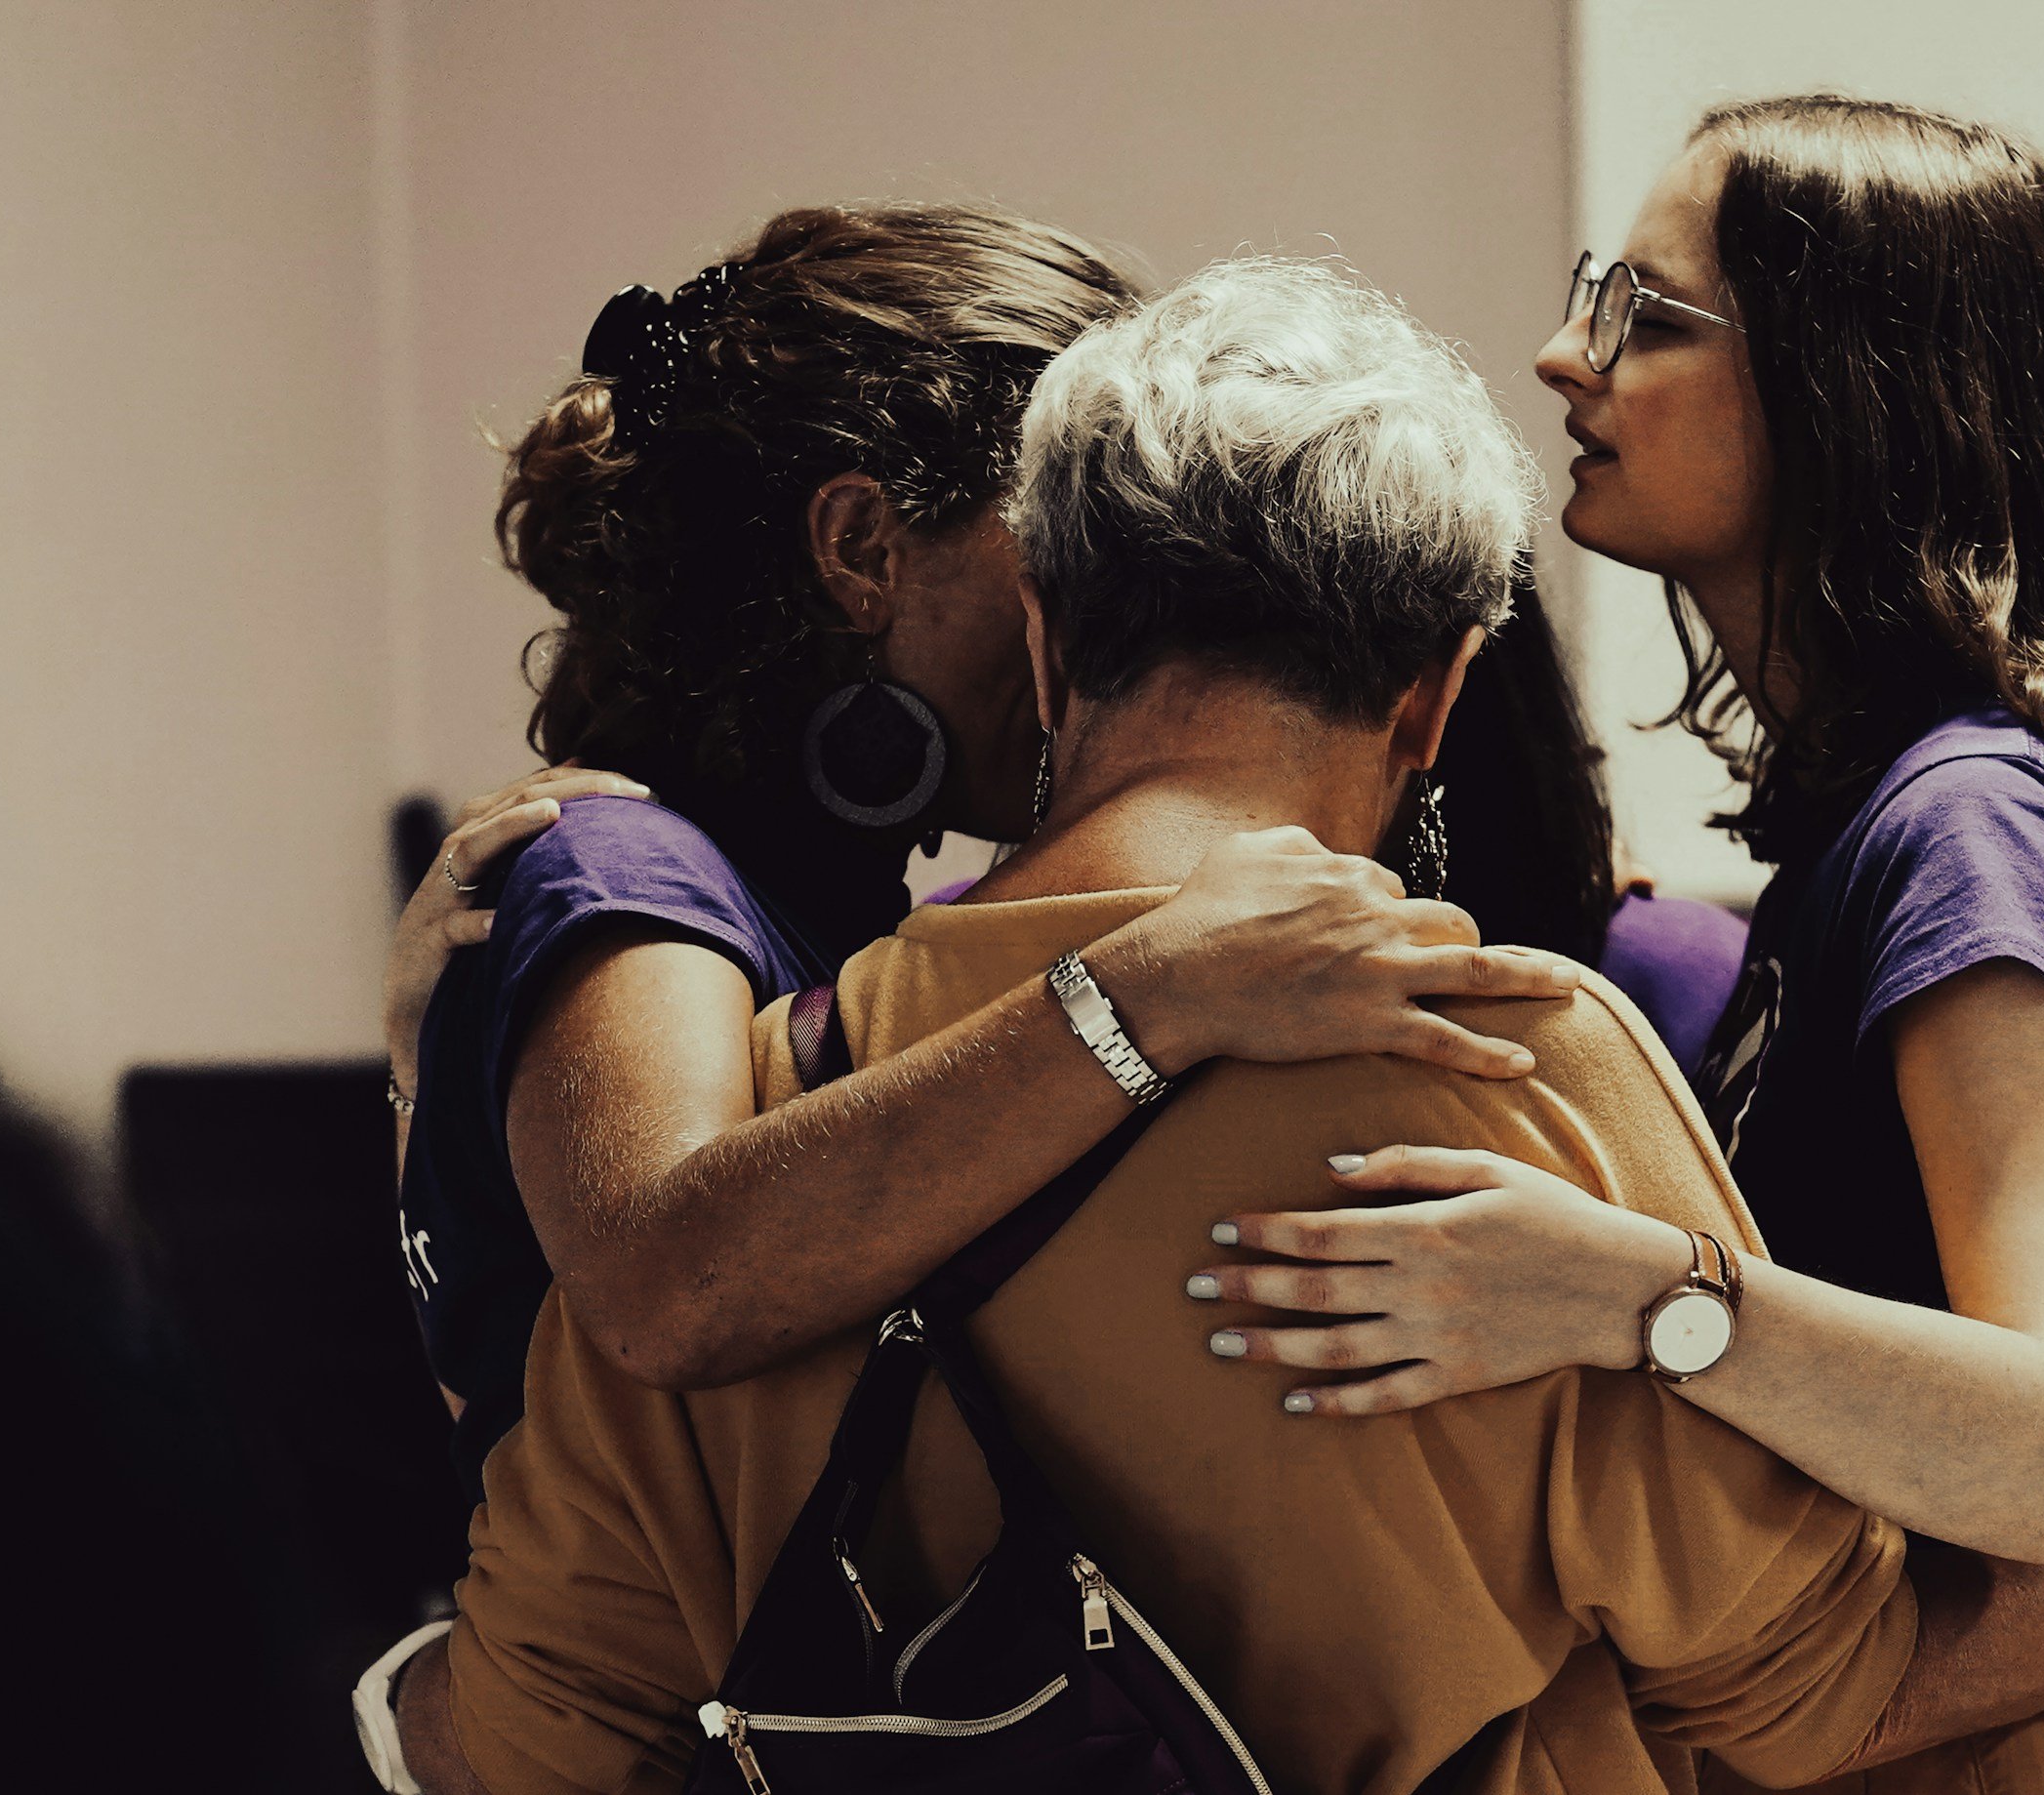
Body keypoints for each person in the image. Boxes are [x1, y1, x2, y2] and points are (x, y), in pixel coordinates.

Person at [385, 258, 2044, 1795]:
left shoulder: (767, 1128)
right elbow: (1804, 1704)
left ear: (1051, 641)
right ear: (1440, 697)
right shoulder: (1513, 1073)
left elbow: (529, 1714)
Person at [1189, 96, 2044, 1786]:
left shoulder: (1978, 824)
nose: (1565, 357)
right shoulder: (1919, 810)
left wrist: (1622, 1294)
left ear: (1858, 386)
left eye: (1646, 316)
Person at [388, 203, 1589, 1494]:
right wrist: (1158, 988)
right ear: (860, 549)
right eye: (1069, 541)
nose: (1109, 608)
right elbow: (672, 1286)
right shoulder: (625, 870)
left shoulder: (822, 889)